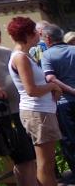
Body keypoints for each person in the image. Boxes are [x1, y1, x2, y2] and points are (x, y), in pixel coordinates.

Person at [0, 18, 38, 186]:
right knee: (22, 157)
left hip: (21, 109)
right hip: (3, 114)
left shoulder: (7, 51)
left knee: (29, 157)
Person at [9, 16, 63, 186]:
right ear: (27, 34)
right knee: (46, 164)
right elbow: (31, 90)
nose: (38, 33)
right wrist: (52, 86)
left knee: (47, 163)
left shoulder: (25, 55)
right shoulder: (21, 57)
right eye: (34, 31)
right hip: (38, 113)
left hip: (42, 112)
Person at [39, 23, 75, 183]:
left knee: (70, 140)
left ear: (48, 38)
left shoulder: (47, 55)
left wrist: (71, 90)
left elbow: (50, 78)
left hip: (64, 103)